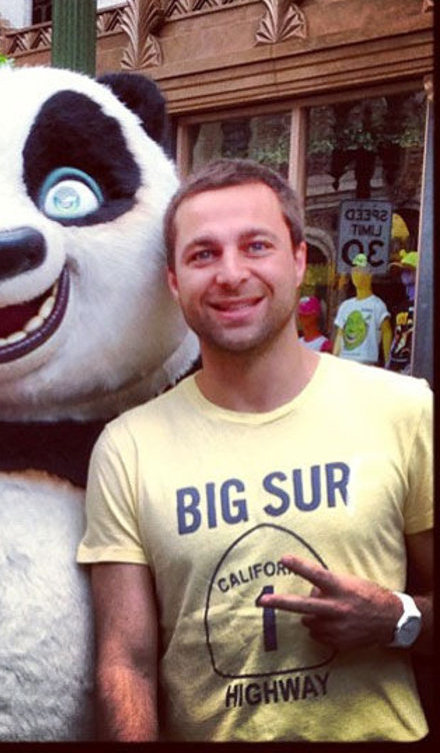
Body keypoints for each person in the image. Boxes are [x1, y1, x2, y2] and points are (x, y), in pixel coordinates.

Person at [77, 158, 432, 742]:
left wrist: (398, 618)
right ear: (174, 281)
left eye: (256, 246)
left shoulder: (405, 409)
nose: (231, 273)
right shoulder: (127, 447)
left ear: (298, 261)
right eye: (203, 254)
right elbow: (126, 663)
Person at [332, 252, 392, 366]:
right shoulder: (345, 306)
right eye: (354, 271)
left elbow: (386, 333)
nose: (355, 274)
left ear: (369, 274)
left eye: (360, 270)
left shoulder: (378, 305)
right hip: (345, 363)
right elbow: (340, 335)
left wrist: (388, 363)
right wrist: (334, 360)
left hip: (367, 364)